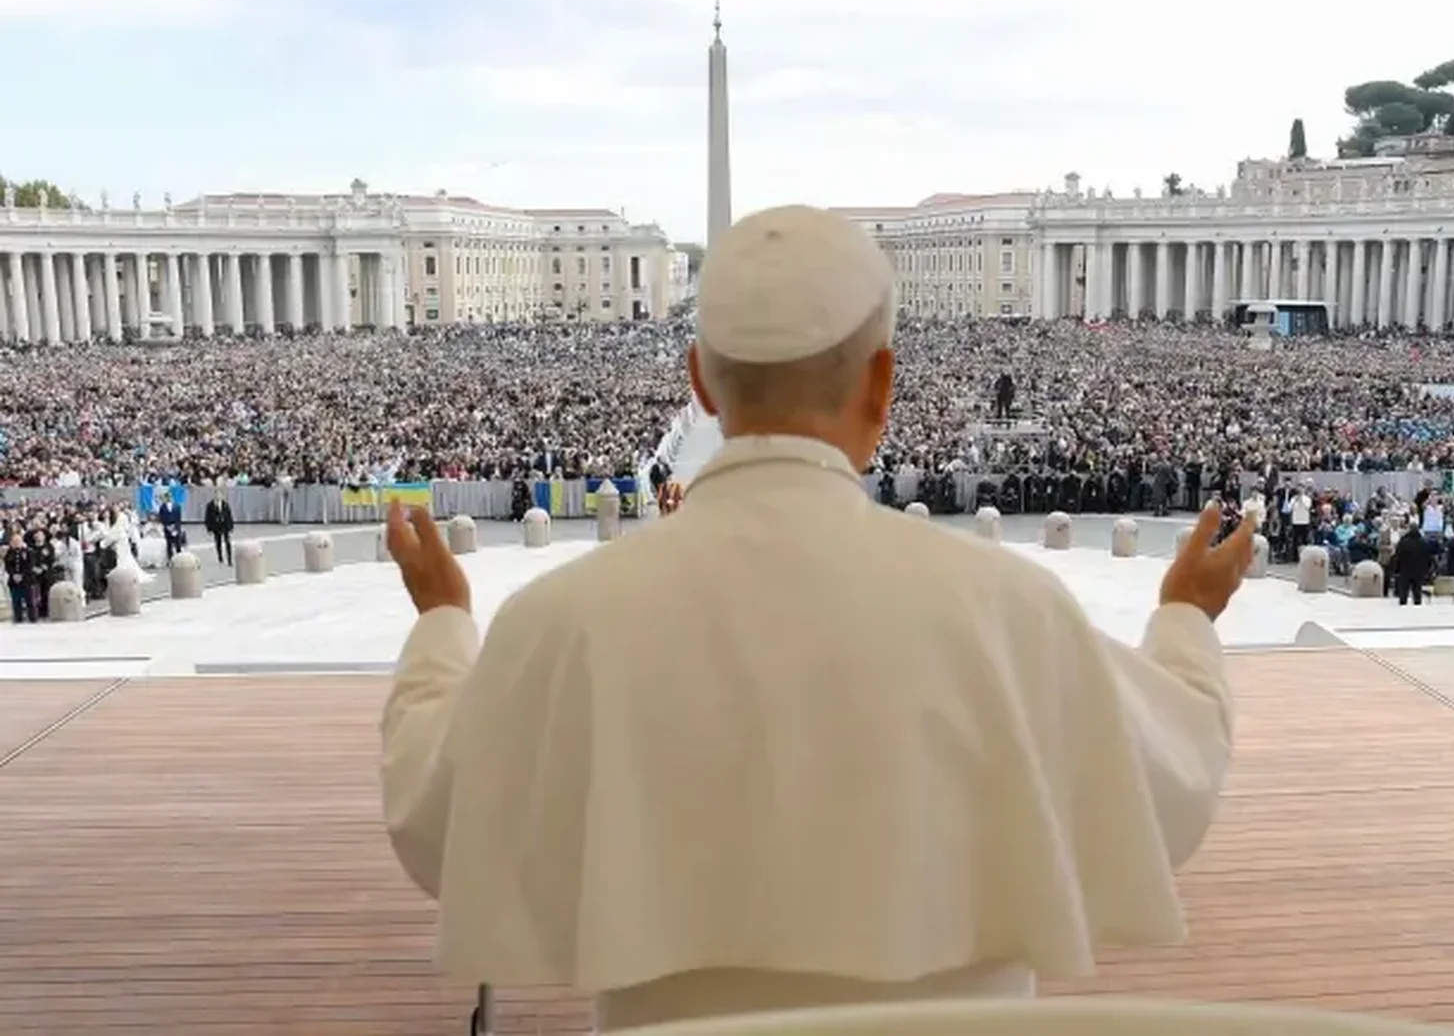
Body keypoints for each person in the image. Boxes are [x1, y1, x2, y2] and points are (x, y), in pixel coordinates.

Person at [379, 204, 1257, 1031]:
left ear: (702, 385)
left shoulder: (560, 618)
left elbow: (431, 821)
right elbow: (1172, 790)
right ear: (882, 382)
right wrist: (1185, 617)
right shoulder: (1010, 608)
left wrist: (444, 621)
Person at [1391, 522, 1433, 606]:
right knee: (1417, 592)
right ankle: (1417, 607)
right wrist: (1426, 570)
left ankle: (1403, 607)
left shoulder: (1403, 542)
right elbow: (1428, 558)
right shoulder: (1423, 543)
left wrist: (1396, 569)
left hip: (1405, 571)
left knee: (1403, 593)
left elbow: (1397, 556)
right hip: (1418, 571)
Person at [204, 488, 235, 566]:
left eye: (219, 494)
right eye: (216, 494)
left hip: (225, 525)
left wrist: (231, 526)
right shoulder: (210, 505)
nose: (218, 496)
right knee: (218, 542)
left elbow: (229, 515)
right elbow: (208, 517)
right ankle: (220, 557)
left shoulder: (225, 504)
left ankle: (229, 559)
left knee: (228, 542)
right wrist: (209, 528)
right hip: (216, 526)